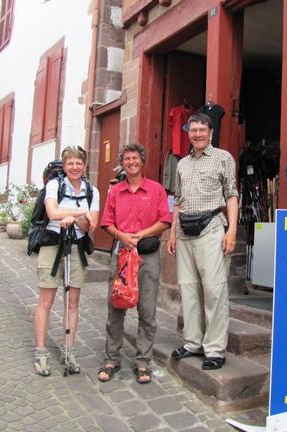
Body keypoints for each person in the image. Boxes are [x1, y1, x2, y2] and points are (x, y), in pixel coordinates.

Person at [167, 112, 239, 371]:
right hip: (184, 230)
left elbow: (231, 194)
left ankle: (215, 349)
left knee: (214, 290)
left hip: (211, 227)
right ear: (188, 132)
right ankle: (193, 342)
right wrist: (172, 233)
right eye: (193, 129)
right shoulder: (182, 164)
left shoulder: (223, 158)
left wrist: (231, 231)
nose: (197, 134)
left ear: (210, 133)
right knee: (189, 289)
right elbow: (178, 200)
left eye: (202, 129)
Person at [98, 143, 171, 384]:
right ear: (123, 163)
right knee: (116, 307)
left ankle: (143, 362)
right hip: (121, 256)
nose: (131, 162)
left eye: (135, 158)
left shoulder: (156, 189)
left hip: (147, 256)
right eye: (127, 159)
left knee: (147, 311)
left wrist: (142, 234)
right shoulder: (115, 192)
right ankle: (112, 358)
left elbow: (165, 220)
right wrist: (122, 236)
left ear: (142, 161)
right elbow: (107, 222)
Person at [33, 145, 99, 377]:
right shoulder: (54, 185)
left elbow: (92, 225)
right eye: (70, 163)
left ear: (84, 165)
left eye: (78, 163)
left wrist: (77, 218)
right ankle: (41, 351)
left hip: (76, 247)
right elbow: (52, 213)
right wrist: (80, 213)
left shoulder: (92, 191)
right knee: (46, 300)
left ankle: (69, 350)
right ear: (64, 165)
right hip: (52, 245)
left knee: (72, 303)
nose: (74, 167)